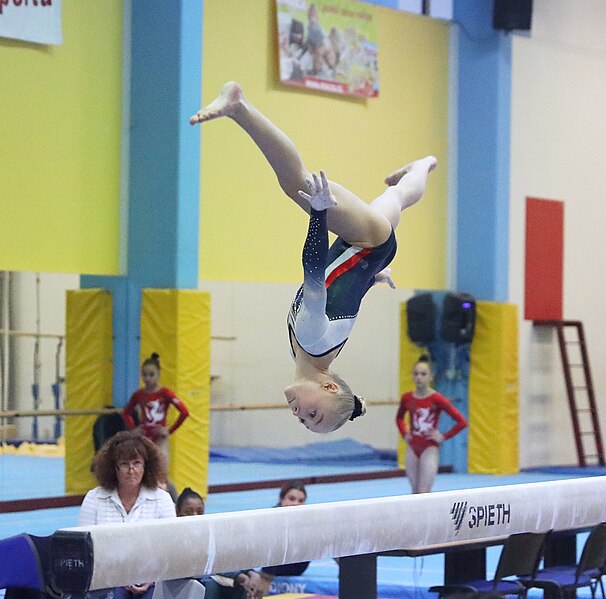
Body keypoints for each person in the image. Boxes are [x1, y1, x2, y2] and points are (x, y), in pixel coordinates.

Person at [190, 81, 437, 434]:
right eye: (313, 415)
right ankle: (239, 105)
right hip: (364, 242)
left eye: (306, 422)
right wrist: (318, 214)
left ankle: (422, 165)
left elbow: (343, 300)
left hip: (371, 252)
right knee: (299, 185)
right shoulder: (311, 339)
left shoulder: (311, 354)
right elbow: (314, 272)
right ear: (330, 387)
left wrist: (370, 277)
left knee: (397, 198)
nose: (299, 415)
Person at [79, 429, 177, 598]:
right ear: (114, 468)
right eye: (125, 464)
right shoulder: (94, 498)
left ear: (146, 466)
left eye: (137, 463)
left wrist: (151, 579)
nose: (131, 470)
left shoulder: (162, 499)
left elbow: (171, 547)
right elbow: (83, 547)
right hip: (106, 579)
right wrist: (116, 577)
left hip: (151, 578)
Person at [396, 354, 467, 494]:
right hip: (412, 447)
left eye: (423, 374)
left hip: (429, 448)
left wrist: (443, 436)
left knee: (424, 491)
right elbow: (399, 418)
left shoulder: (437, 399)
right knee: (414, 491)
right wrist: (405, 433)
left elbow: (461, 422)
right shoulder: (407, 398)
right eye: (416, 374)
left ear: (431, 377)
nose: (419, 377)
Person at [175, 488, 264, 599]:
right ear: (177, 512)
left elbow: (228, 558)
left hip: (212, 579)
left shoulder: (211, 534)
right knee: (210, 584)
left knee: (244, 586)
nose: (195, 516)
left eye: (199, 512)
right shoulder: (175, 539)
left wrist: (250, 572)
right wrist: (237, 576)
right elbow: (198, 568)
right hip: (183, 584)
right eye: (188, 512)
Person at [123, 353, 189, 499]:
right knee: (143, 474)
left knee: (162, 476)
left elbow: (184, 412)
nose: (147, 378)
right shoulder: (139, 394)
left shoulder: (165, 393)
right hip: (144, 439)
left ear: (158, 374)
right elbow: (126, 412)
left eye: (151, 374)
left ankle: (174, 503)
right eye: (144, 375)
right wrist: (135, 429)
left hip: (160, 440)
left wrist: (169, 430)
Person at [261, 481, 310, 578]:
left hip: (297, 568)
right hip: (274, 569)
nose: (296, 504)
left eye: (300, 501)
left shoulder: (307, 518)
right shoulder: (272, 518)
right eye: (291, 499)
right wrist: (266, 577)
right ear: (282, 499)